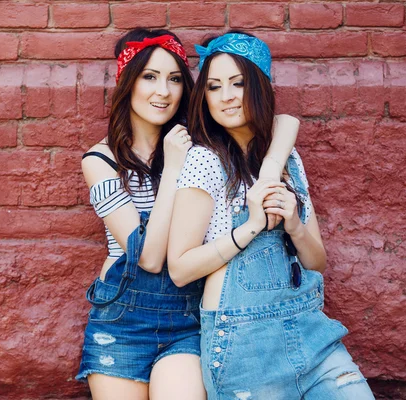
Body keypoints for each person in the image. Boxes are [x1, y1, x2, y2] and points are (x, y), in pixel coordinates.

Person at [76, 28, 300, 400]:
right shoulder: (102, 161)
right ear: (127, 83)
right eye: (150, 77)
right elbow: (148, 258)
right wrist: (173, 170)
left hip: (188, 315)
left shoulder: (201, 144)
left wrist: (272, 168)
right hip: (122, 318)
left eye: (175, 79)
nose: (163, 91)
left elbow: (286, 122)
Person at [167, 31, 375, 399]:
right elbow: (180, 268)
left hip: (311, 333)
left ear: (260, 87)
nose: (226, 96)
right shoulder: (205, 160)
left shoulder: (288, 161)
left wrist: (294, 223)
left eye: (238, 83)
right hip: (244, 344)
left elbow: (316, 262)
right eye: (214, 87)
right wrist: (248, 229)